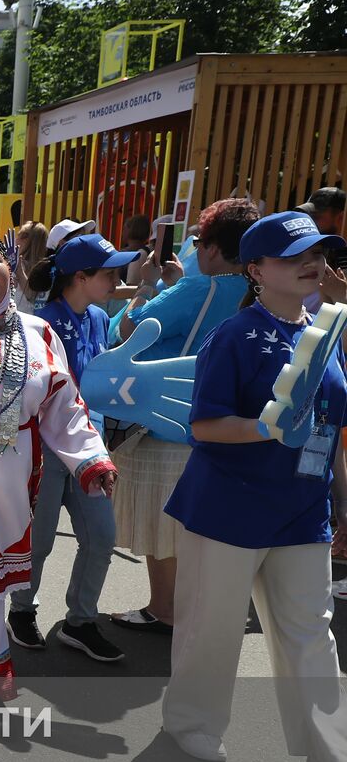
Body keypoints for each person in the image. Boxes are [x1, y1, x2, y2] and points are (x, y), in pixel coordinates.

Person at [160, 211, 347, 762]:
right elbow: (206, 425)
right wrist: (268, 429)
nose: (311, 264)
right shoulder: (236, 335)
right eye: (294, 257)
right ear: (256, 270)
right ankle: (191, 722)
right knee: (212, 627)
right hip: (227, 509)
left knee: (312, 630)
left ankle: (331, 753)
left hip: (302, 509)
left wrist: (343, 504)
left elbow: (333, 427)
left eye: (317, 252)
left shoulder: (330, 331)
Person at [109, 198, 258, 634]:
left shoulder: (194, 289)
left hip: (168, 420)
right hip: (230, 422)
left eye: (200, 242)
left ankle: (164, 608)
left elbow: (129, 328)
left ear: (211, 248)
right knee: (204, 528)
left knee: (166, 526)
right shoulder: (256, 293)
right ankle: (197, 606)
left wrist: (146, 285)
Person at [0, 233, 126, 664]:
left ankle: (80, 621)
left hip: (89, 448)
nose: (116, 279)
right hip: (45, 450)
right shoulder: (38, 323)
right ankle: (20, 612)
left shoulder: (99, 319)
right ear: (80, 276)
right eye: (108, 273)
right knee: (40, 541)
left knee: (102, 535)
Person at [12, 220, 49, 313]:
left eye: (20, 235)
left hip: (24, 321)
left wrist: (19, 272)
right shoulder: (46, 267)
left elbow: (32, 296)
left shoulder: (45, 269)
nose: (16, 239)